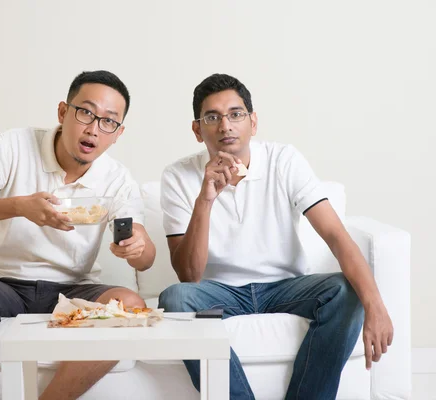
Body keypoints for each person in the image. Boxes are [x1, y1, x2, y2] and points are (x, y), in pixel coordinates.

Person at [158, 73, 393, 399]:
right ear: (198, 130)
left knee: (346, 291)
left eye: (236, 114)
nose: (225, 125)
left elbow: (336, 236)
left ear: (253, 122)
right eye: (212, 117)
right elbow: (188, 275)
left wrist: (376, 305)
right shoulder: (177, 176)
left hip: (286, 287)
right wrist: (206, 198)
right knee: (175, 298)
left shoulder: (284, 160)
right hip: (220, 292)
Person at [0, 70, 156, 400]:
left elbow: (145, 256)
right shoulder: (14, 145)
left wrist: (138, 245)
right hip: (2, 283)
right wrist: (20, 206)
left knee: (131, 305)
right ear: (63, 112)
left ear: (117, 134)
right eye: (86, 113)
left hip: (72, 291)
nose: (94, 128)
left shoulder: (117, 179)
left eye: (108, 121)